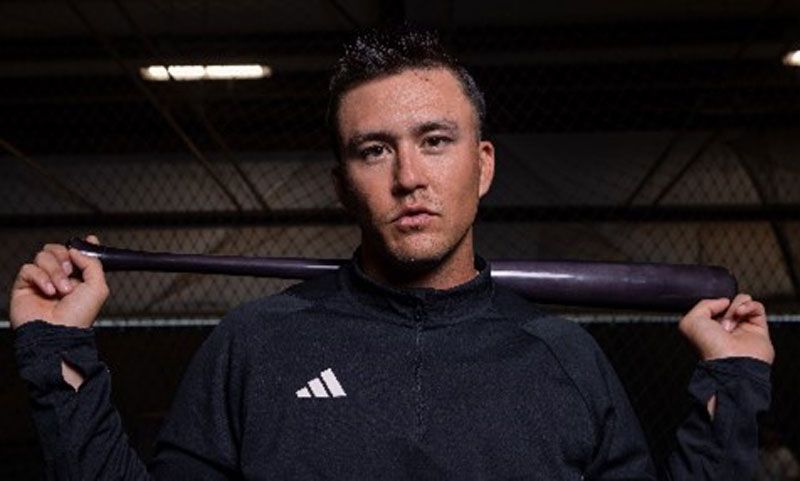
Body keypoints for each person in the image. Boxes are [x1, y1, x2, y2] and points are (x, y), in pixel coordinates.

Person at [10, 26, 774, 480]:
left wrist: (733, 382)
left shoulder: (565, 357)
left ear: (482, 165)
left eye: (434, 141)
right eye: (374, 150)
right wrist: (59, 351)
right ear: (342, 183)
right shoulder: (255, 346)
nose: (409, 176)